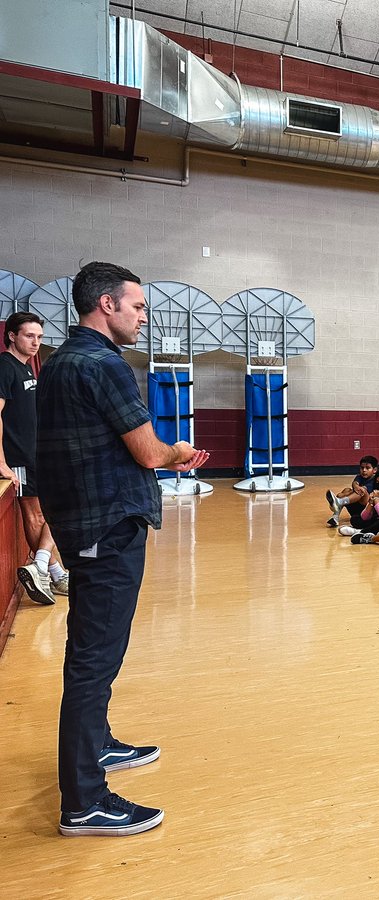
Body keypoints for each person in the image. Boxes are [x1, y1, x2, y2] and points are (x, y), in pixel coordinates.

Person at [38, 261, 209, 836]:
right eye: (137, 306)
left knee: (93, 650)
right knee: (94, 659)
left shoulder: (60, 360)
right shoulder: (105, 365)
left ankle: (98, 745)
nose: (143, 317)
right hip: (106, 530)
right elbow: (147, 452)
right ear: (106, 305)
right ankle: (85, 800)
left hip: (80, 525)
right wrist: (177, 449)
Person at [0, 311, 67, 605]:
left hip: (38, 453)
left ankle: (44, 567)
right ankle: (53, 571)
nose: (36, 342)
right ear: (12, 335)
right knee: (37, 514)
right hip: (18, 456)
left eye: (39, 337)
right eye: (29, 336)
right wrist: (1, 462)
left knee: (55, 509)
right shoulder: (5, 366)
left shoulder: (28, 368)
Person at [324, 455, 377, 527]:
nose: (364, 470)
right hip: (356, 508)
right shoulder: (359, 477)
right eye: (362, 468)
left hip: (367, 510)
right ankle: (335, 516)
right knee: (346, 490)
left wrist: (344, 495)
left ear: (374, 470)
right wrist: (354, 487)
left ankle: (339, 502)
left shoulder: (375, 479)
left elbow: (361, 489)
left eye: (367, 468)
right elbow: (355, 483)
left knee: (361, 491)